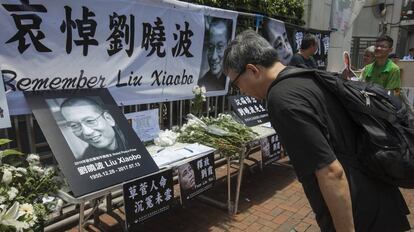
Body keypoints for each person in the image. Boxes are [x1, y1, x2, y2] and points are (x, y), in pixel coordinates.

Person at [223, 30, 410, 232]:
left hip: (358, 211)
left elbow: (331, 172)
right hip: (376, 191)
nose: (240, 91)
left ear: (252, 70)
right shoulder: (305, 78)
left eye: (236, 83)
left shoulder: (281, 99)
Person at [60, 97, 128, 160]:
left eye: (90, 121)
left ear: (108, 118)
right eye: (74, 125)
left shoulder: (133, 135)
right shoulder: (88, 159)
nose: (87, 132)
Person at [198, 17, 232, 91]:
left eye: (220, 47)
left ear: (229, 45)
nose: (214, 57)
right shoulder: (201, 84)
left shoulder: (235, 79)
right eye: (210, 47)